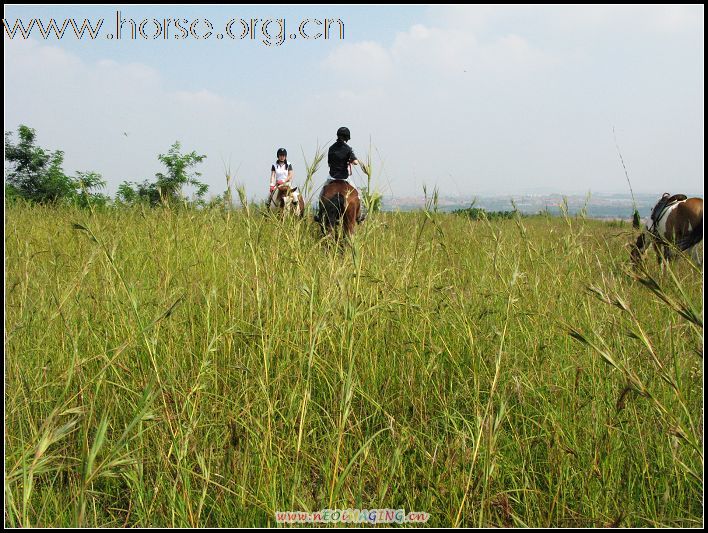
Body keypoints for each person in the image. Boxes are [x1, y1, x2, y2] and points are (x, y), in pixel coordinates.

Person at [314, 127, 367, 223]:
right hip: (345, 178)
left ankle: (320, 214)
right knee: (358, 195)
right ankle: (359, 215)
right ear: (347, 137)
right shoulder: (348, 149)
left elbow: (329, 164)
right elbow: (355, 162)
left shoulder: (331, 148)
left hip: (332, 177)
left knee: (321, 194)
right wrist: (351, 160)